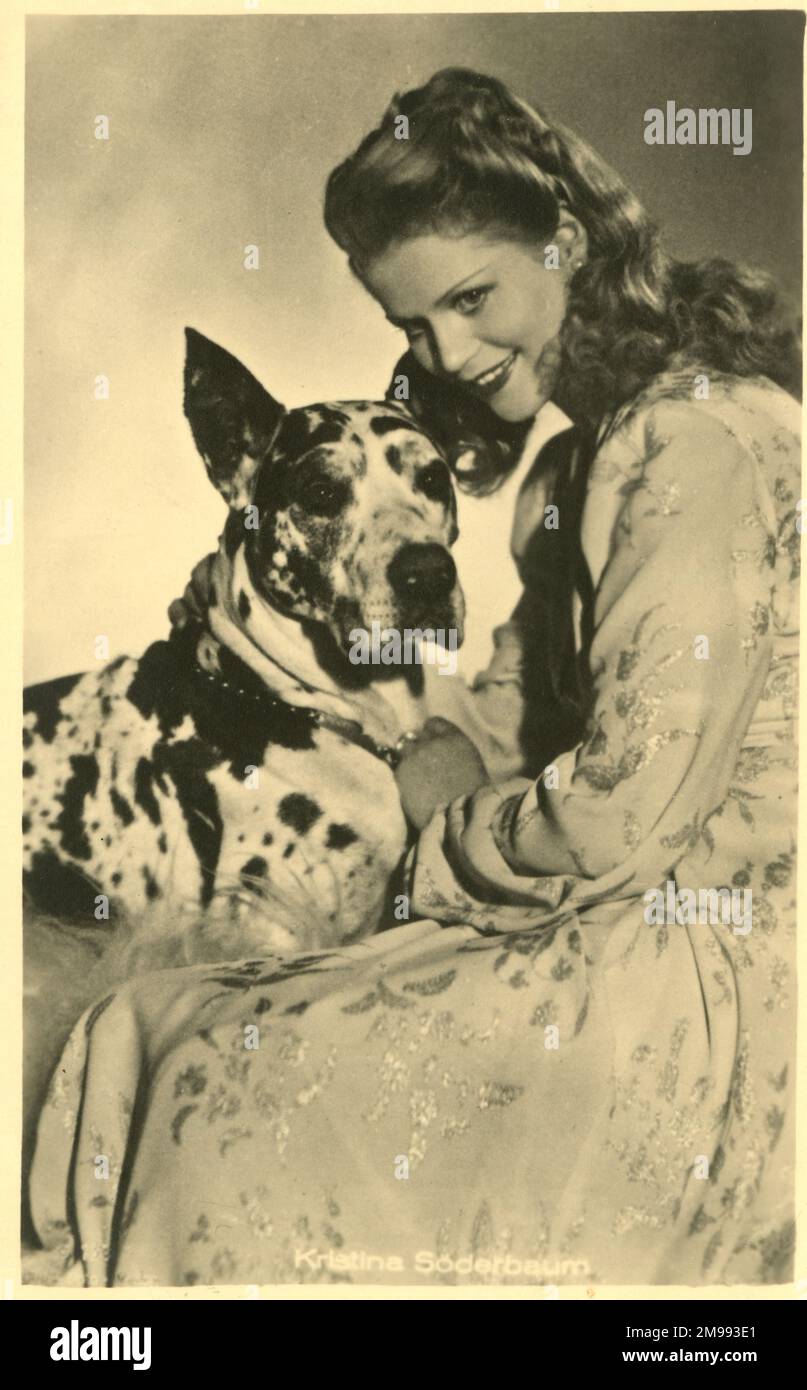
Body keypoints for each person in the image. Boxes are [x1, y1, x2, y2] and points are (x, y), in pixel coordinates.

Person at [25, 68, 799, 1288]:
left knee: (211, 1077)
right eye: (413, 327)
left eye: (473, 298)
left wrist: (436, 834)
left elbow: (625, 802)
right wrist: (417, 743)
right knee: (137, 1021)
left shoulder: (691, 437)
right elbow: (508, 708)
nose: (448, 352)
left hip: (699, 978)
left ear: (568, 237)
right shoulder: (581, 466)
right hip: (605, 918)